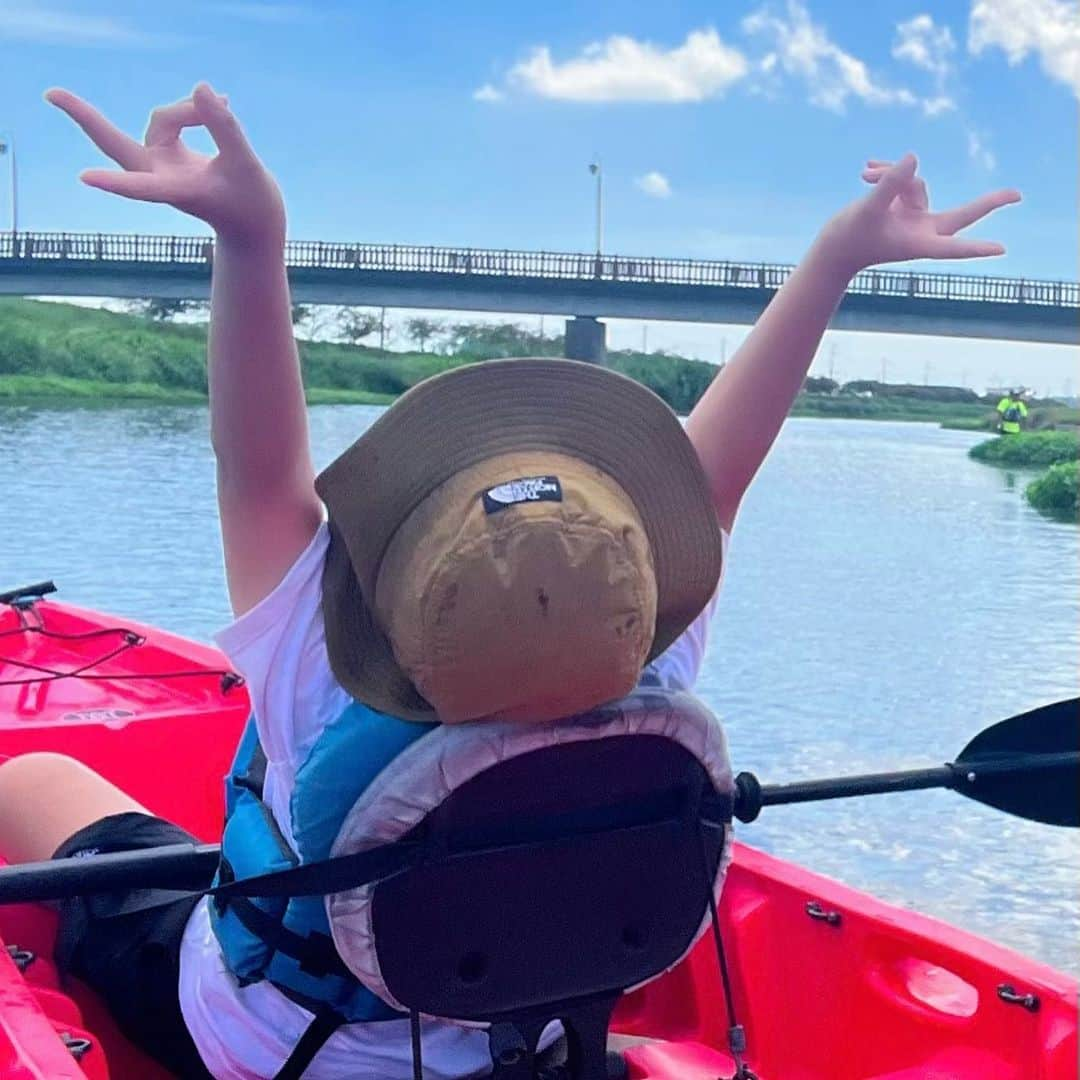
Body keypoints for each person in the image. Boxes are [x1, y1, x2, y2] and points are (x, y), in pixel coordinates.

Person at [0, 83, 1019, 1080]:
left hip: (268, 1051)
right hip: (526, 1049)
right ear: (638, 574)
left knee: (31, 784)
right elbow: (718, 475)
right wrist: (837, 260)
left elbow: (257, 465)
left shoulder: (315, 679)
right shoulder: (656, 663)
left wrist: (251, 241)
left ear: (400, 576)